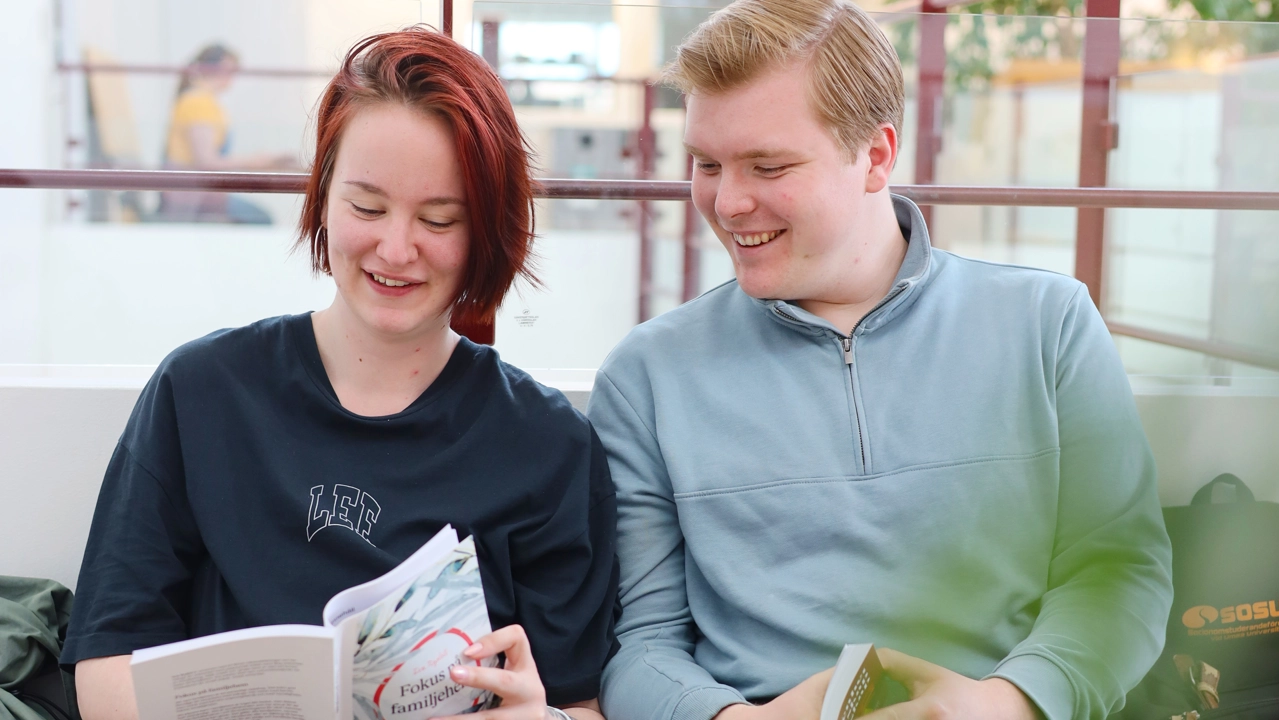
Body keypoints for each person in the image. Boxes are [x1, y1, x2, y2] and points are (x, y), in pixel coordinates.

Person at [585, 1, 1174, 719]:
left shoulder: (1049, 327)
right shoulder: (646, 375)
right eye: (707, 163)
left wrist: (1009, 703)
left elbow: (1120, 577)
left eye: (768, 166)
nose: (728, 202)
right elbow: (640, 647)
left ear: (877, 155)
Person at [62, 28, 617, 720]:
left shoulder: (547, 445)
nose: (396, 248)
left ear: (486, 232)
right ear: (322, 197)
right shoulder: (201, 393)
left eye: (440, 219)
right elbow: (107, 664)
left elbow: (581, 702)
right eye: (366, 207)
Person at [158, 44, 295, 223]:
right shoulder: (198, 102)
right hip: (194, 199)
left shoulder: (202, 101)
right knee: (261, 219)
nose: (233, 77)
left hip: (199, 196)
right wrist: (257, 160)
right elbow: (207, 162)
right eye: (230, 70)